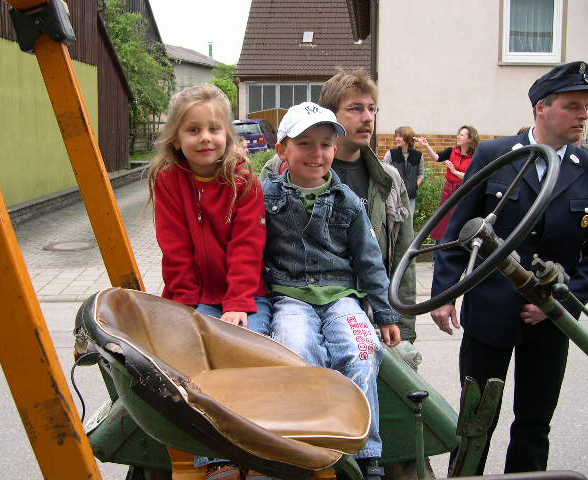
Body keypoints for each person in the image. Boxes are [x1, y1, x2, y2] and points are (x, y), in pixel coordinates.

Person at [430, 61, 588, 474]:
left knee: (534, 424)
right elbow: (458, 228)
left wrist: (565, 302)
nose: (583, 115)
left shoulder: (585, 166)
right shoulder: (496, 155)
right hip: (490, 312)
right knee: (475, 423)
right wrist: (444, 294)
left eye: (586, 107)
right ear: (542, 108)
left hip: (550, 318)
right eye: (573, 106)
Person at [263, 102, 401, 480]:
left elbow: (369, 262)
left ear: (335, 150)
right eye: (304, 143)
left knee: (362, 349)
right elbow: (248, 247)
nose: (316, 153)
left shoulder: (349, 202)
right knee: (294, 348)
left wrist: (385, 313)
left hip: (341, 296)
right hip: (290, 295)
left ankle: (365, 450)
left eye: (325, 144)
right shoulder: (265, 196)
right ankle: (307, 443)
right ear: (282, 150)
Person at [148, 84, 271, 480]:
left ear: (227, 135)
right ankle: (213, 455)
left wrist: (237, 302)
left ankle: (258, 450)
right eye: (193, 130)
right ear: (176, 139)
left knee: (250, 350)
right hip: (196, 293)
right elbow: (175, 247)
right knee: (192, 358)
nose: (205, 138)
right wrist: (186, 306)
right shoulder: (169, 180)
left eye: (214, 129)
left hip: (244, 293)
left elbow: (247, 246)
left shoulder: (242, 179)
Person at [318, 68, 417, 343]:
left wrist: (404, 330)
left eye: (372, 109)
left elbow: (404, 259)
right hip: (307, 313)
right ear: (330, 116)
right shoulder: (290, 169)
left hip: (372, 319)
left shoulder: (389, 179)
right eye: (355, 109)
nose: (368, 118)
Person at [415, 125, 479, 242]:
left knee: (459, 220)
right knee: (443, 220)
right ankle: (439, 247)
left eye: (461, 135)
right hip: (449, 190)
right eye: (458, 134)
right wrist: (426, 145)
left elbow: (472, 176)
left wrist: (455, 171)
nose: (458, 136)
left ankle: (456, 244)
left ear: (470, 139)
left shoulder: (475, 156)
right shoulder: (451, 151)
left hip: (463, 192)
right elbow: (436, 158)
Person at [383, 126, 425, 214]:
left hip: (410, 197)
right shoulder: (391, 154)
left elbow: (421, 174)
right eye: (396, 136)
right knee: (394, 220)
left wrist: (415, 186)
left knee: (409, 220)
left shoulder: (418, 156)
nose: (396, 139)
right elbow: (383, 172)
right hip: (394, 197)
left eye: (399, 136)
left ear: (407, 138)